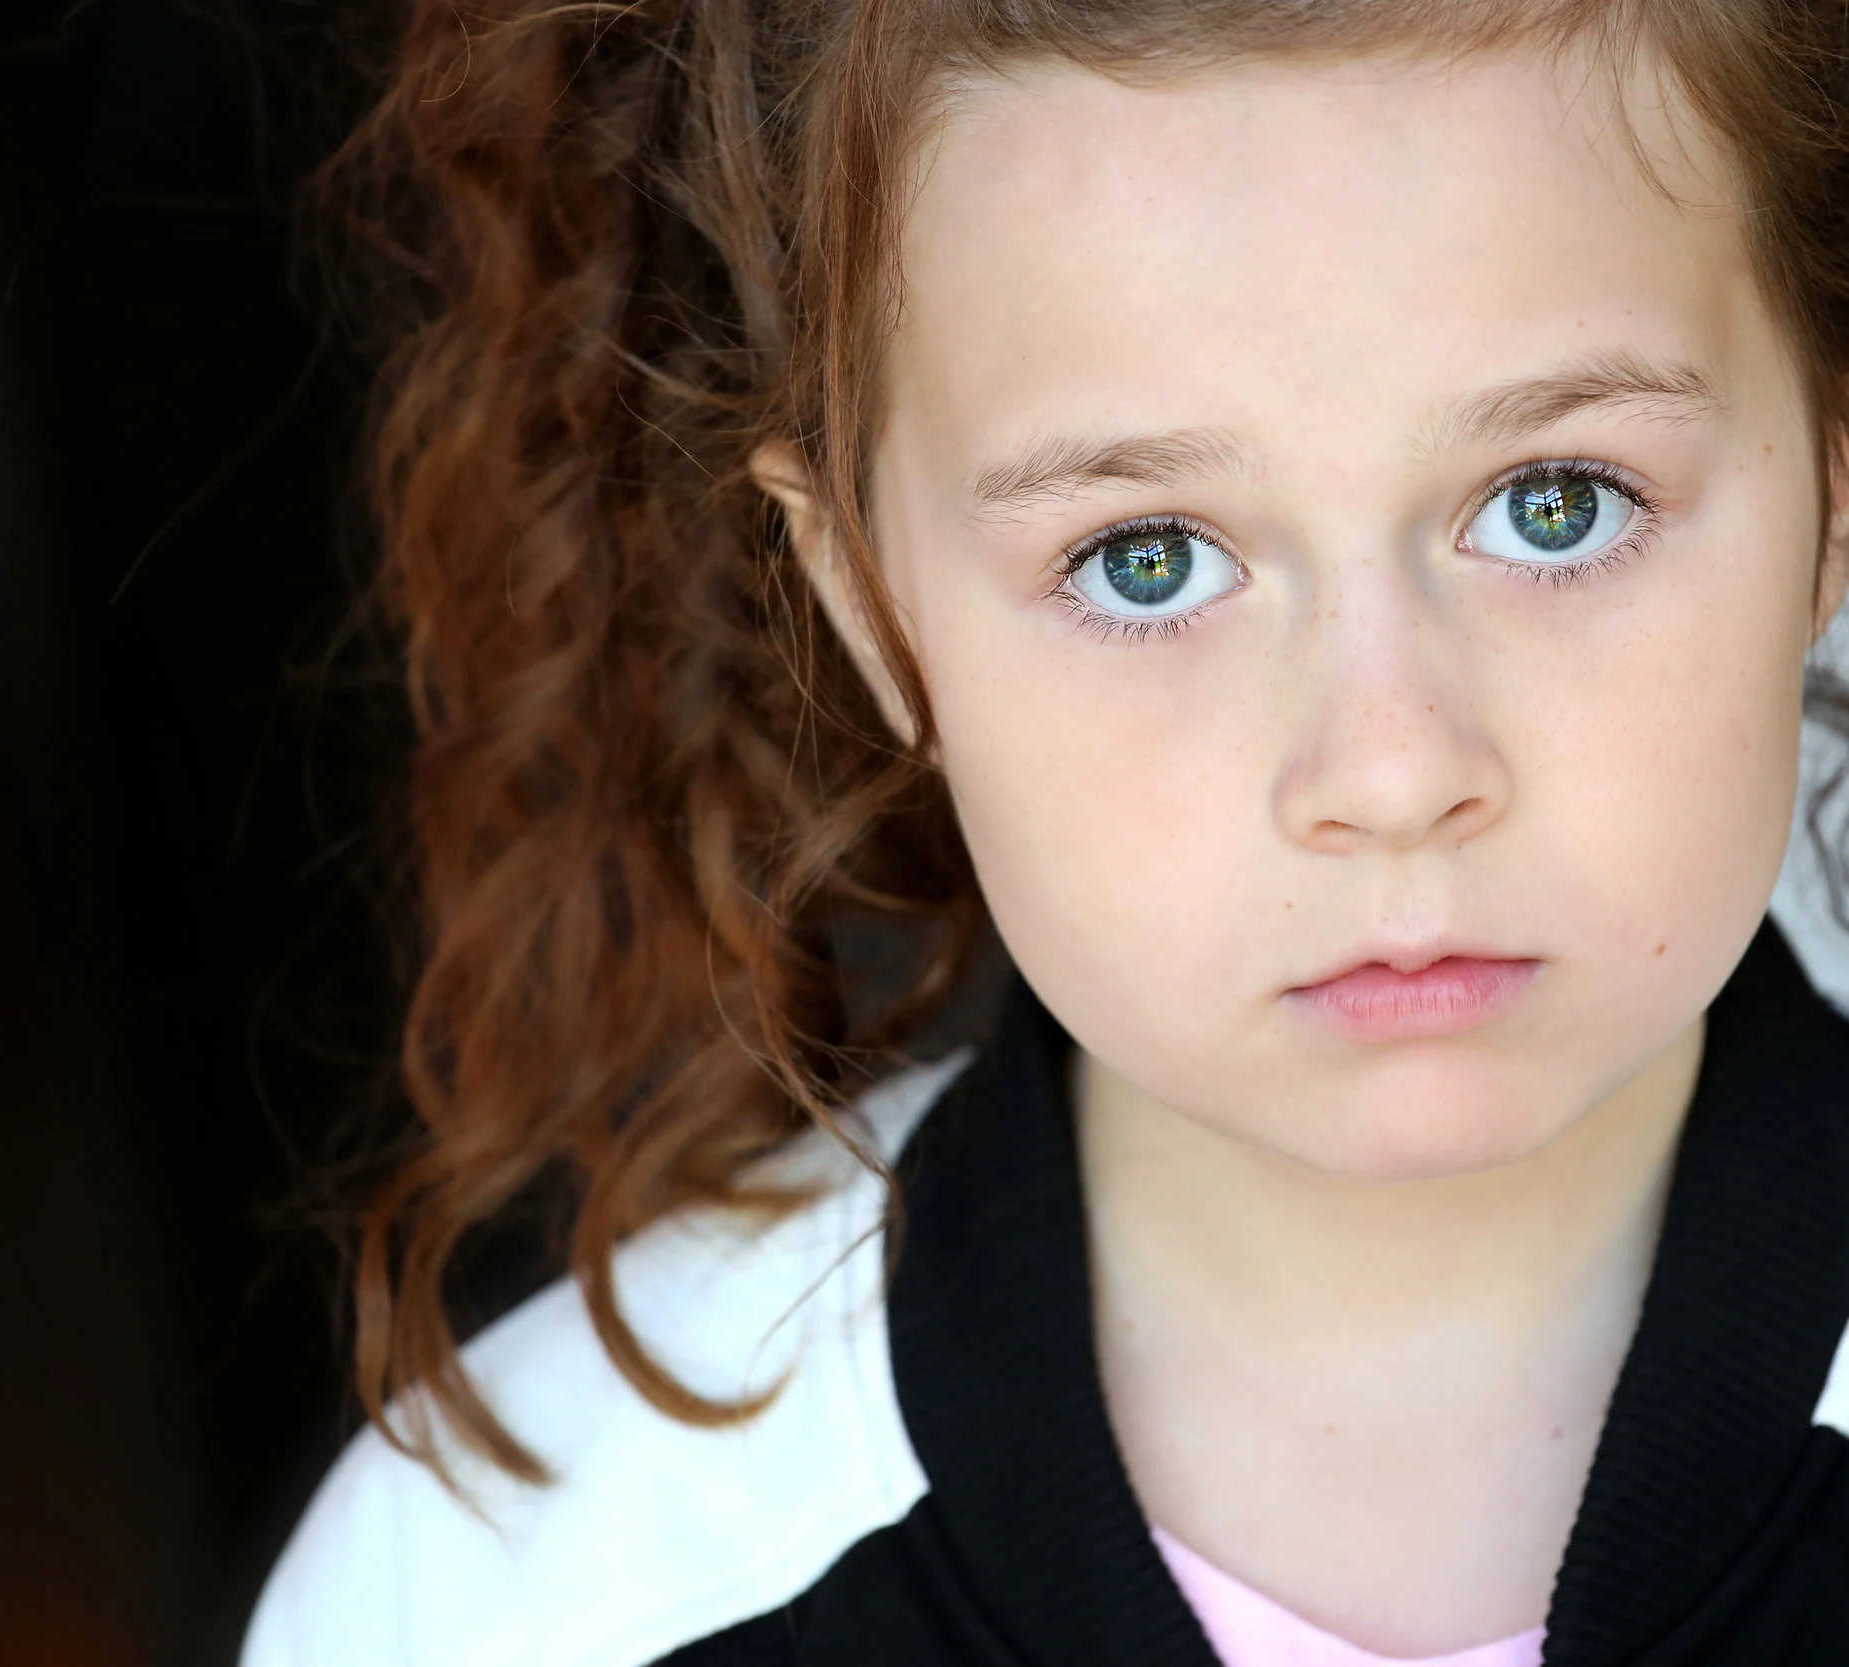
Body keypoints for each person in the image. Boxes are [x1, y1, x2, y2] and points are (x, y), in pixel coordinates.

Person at [244, 2, 1849, 1662]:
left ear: (1833, 487)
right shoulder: (515, 1592)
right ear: (869, 600)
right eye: (1146, 560)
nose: (1389, 771)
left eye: (1558, 505)